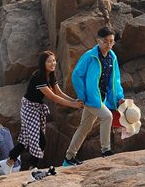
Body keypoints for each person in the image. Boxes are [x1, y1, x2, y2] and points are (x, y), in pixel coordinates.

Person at [64, 26, 124, 166]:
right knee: (107, 116)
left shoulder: (112, 57)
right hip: (91, 98)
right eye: (105, 41)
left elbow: (115, 79)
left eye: (111, 41)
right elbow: (76, 75)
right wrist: (83, 96)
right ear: (98, 40)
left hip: (100, 98)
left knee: (84, 127)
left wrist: (118, 96)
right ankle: (106, 150)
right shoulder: (90, 56)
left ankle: (69, 157)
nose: (108, 45)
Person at [20, 51, 82, 170]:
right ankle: (28, 167)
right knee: (37, 140)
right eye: (49, 61)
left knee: (36, 140)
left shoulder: (50, 75)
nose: (52, 63)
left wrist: (74, 101)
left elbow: (58, 92)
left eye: (54, 60)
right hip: (29, 107)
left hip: (37, 108)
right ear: (43, 63)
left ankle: (25, 165)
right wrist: (73, 105)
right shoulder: (39, 76)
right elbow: (53, 97)